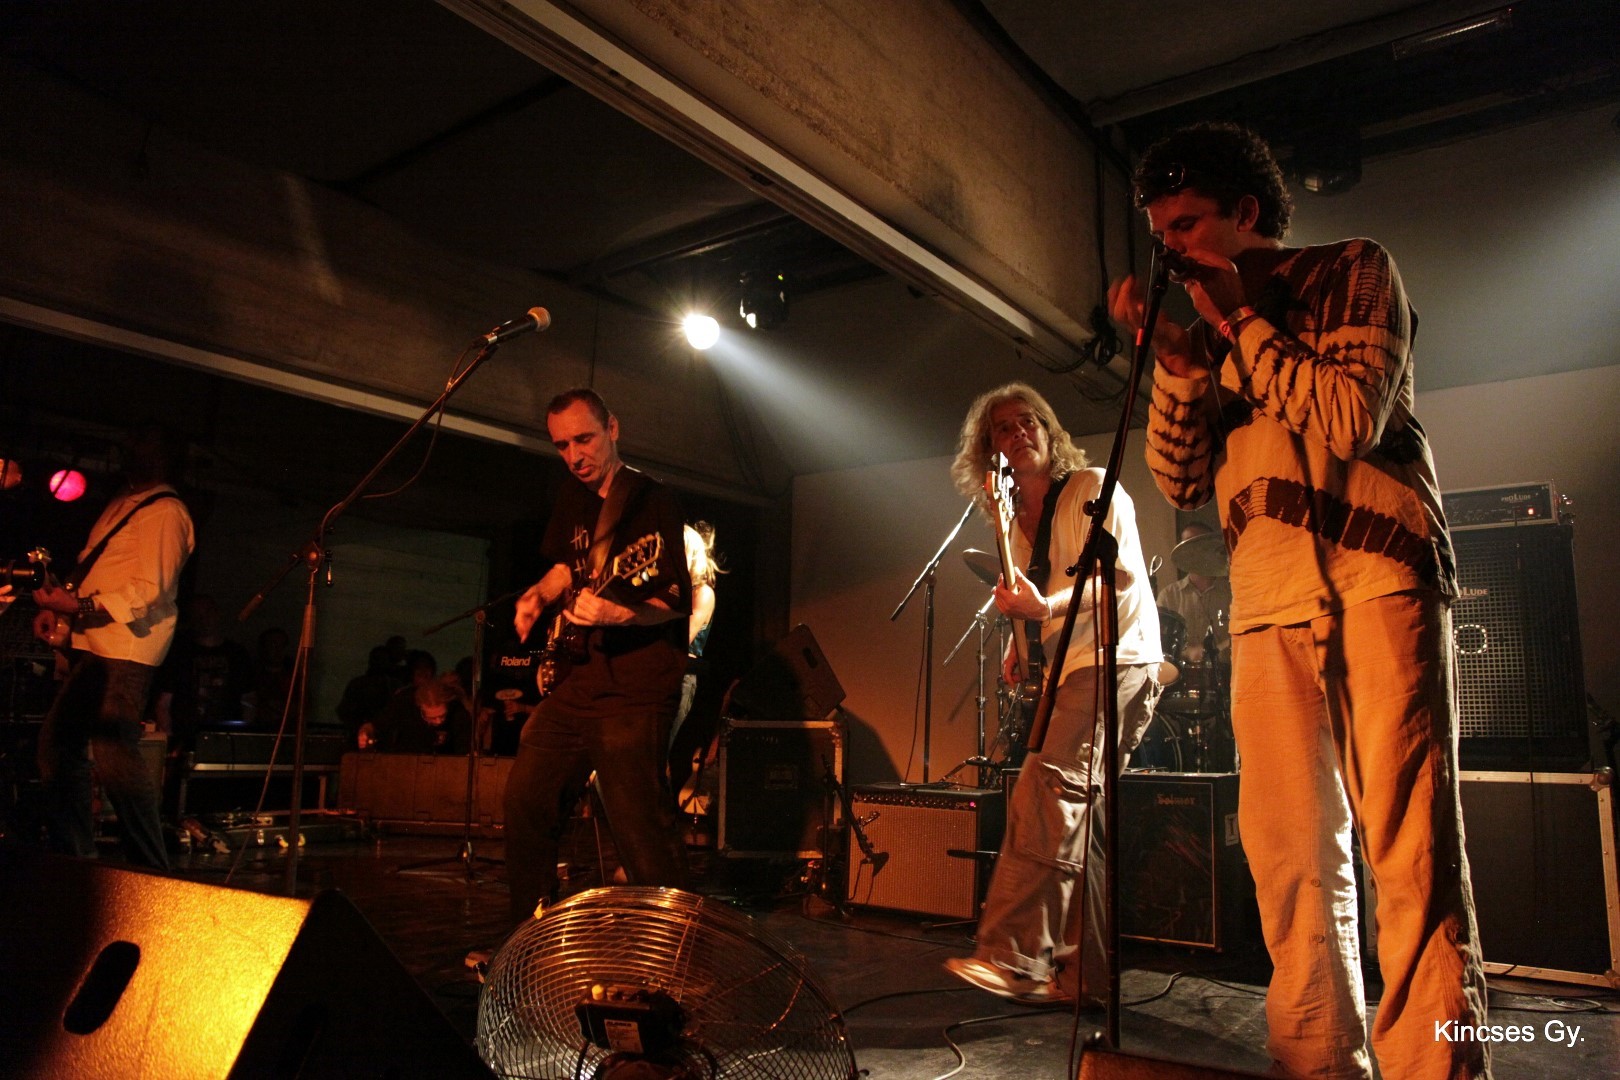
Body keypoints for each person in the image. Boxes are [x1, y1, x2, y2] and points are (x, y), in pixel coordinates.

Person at [1110, 122, 1488, 1078]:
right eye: (1161, 236)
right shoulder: (1212, 336)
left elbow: (1351, 417)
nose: (1172, 252)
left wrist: (1241, 324)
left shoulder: (1352, 269)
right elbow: (1182, 481)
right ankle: (1317, 1063)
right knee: (1291, 866)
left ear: (1246, 211)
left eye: (1188, 226)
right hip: (1265, 601)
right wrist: (1178, 368)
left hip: (1379, 579)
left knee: (1410, 859)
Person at [941, 382, 1160, 1006]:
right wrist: (1021, 643)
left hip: (1118, 660)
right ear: (990, 452)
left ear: (1048, 431)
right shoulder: (1014, 525)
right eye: (1003, 428)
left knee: (1047, 791)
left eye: (1028, 420)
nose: (1019, 432)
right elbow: (1030, 599)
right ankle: (1085, 980)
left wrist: (1044, 610)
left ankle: (1011, 955)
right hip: (1072, 667)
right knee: (1079, 825)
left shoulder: (1091, 487)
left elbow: (1115, 580)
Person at [505, 388, 691, 926]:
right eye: (561, 446)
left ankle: (675, 943)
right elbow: (570, 563)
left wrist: (619, 614)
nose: (574, 455)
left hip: (636, 686)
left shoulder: (652, 500)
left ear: (613, 428)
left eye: (583, 439)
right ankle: (530, 935)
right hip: (578, 679)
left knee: (640, 830)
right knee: (526, 800)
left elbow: (673, 601)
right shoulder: (572, 496)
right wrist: (540, 594)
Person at [30, 424, 195, 869]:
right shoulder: (124, 503)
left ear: (163, 456)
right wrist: (65, 612)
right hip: (98, 646)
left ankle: (149, 867)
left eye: (141, 441)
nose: (128, 446)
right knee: (62, 747)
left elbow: (151, 590)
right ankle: (78, 858)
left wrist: (78, 605)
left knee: (112, 753)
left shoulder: (165, 511)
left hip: (125, 649)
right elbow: (99, 574)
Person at [667, 522, 719, 799]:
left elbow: (683, 637)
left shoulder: (703, 593)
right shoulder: (671, 591)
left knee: (656, 754)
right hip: (657, 674)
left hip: (680, 677)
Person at [1155, 520, 1231, 666]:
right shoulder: (1169, 595)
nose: (1193, 551)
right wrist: (1186, 653)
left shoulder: (1232, 592)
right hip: (1183, 676)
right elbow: (1160, 645)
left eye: (1198, 544)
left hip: (1230, 672)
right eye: (1186, 544)